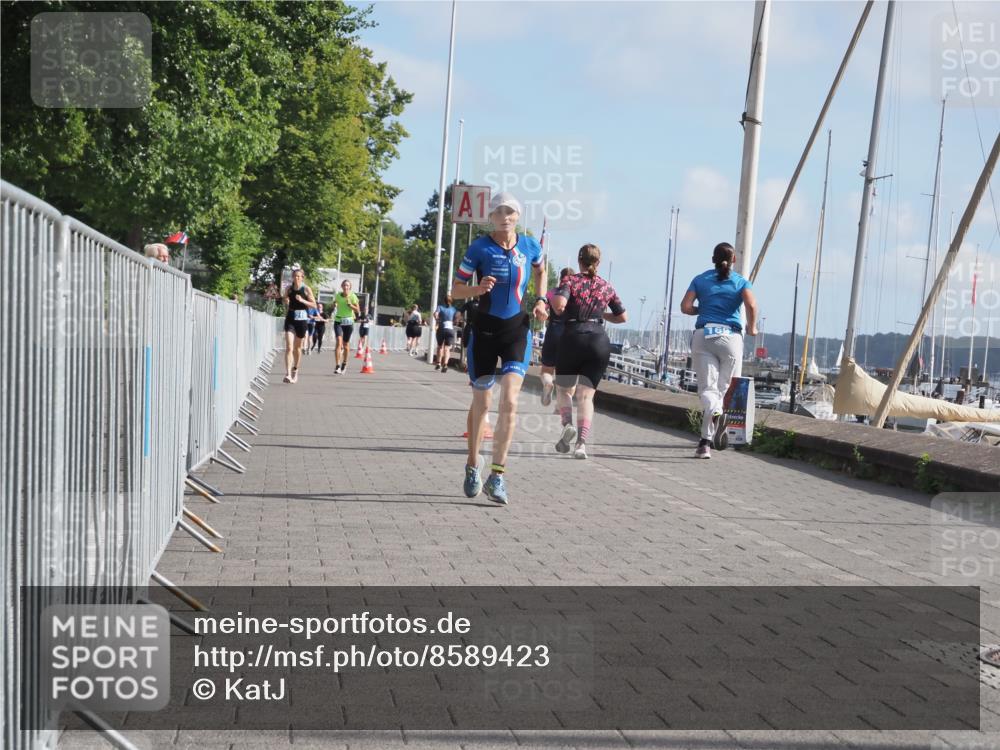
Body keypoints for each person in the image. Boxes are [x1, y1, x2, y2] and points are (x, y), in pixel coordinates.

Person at [450, 191, 547, 505]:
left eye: (511, 212)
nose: (505, 216)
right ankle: (472, 464)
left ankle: (498, 475)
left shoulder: (530, 245)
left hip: (516, 330)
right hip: (485, 332)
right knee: (482, 403)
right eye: (499, 212)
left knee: (511, 401)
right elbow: (454, 290)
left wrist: (542, 300)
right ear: (490, 217)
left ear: (518, 216)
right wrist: (477, 288)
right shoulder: (480, 248)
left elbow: (541, 270)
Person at [680, 242, 758, 459]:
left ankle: (706, 440)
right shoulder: (741, 282)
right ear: (733, 260)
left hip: (704, 335)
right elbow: (751, 306)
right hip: (731, 339)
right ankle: (705, 441)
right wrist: (752, 327)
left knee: (707, 390)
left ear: (712, 258)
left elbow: (685, 307)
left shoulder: (700, 279)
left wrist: (701, 309)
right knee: (720, 391)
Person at [549, 246, 627, 460]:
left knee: (564, 391)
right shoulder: (606, 286)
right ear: (598, 263)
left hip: (572, 338)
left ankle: (567, 425)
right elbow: (622, 316)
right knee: (586, 396)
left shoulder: (570, 281)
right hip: (598, 341)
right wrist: (602, 314)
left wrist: (557, 306)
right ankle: (581, 444)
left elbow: (560, 304)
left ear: (579, 260)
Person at [539, 267, 575, 406]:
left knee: (546, 370)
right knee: (568, 374)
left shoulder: (552, 292)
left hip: (553, 332)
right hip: (570, 335)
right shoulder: (576, 295)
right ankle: (563, 404)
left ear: (561, 278)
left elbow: (543, 307)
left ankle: (548, 383)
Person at [282, 268, 317, 383]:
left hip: (302, 320)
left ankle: (295, 369)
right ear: (292, 277)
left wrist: (303, 300)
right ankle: (288, 374)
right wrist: (286, 300)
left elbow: (314, 305)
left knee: (297, 348)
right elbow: (285, 298)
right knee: (289, 347)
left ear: (302, 278)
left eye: (299, 276)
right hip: (291, 318)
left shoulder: (306, 289)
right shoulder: (289, 288)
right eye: (295, 276)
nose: (296, 278)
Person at [332, 280, 361, 374]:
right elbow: (334, 303)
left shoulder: (352, 296)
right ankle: (337, 366)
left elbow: (358, 310)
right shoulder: (338, 295)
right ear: (341, 286)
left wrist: (351, 305)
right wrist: (334, 305)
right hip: (338, 320)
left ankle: (345, 362)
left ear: (350, 287)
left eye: (347, 285)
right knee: (339, 343)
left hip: (348, 322)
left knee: (346, 344)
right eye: (344, 285)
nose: (346, 287)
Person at [433, 294, 458, 373]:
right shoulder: (454, 309)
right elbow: (456, 319)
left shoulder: (440, 307)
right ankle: (446, 364)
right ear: (451, 301)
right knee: (447, 348)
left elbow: (435, 314)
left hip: (442, 329)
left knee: (440, 346)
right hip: (450, 330)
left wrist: (437, 318)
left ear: (444, 301)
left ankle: (438, 363)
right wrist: (454, 322)